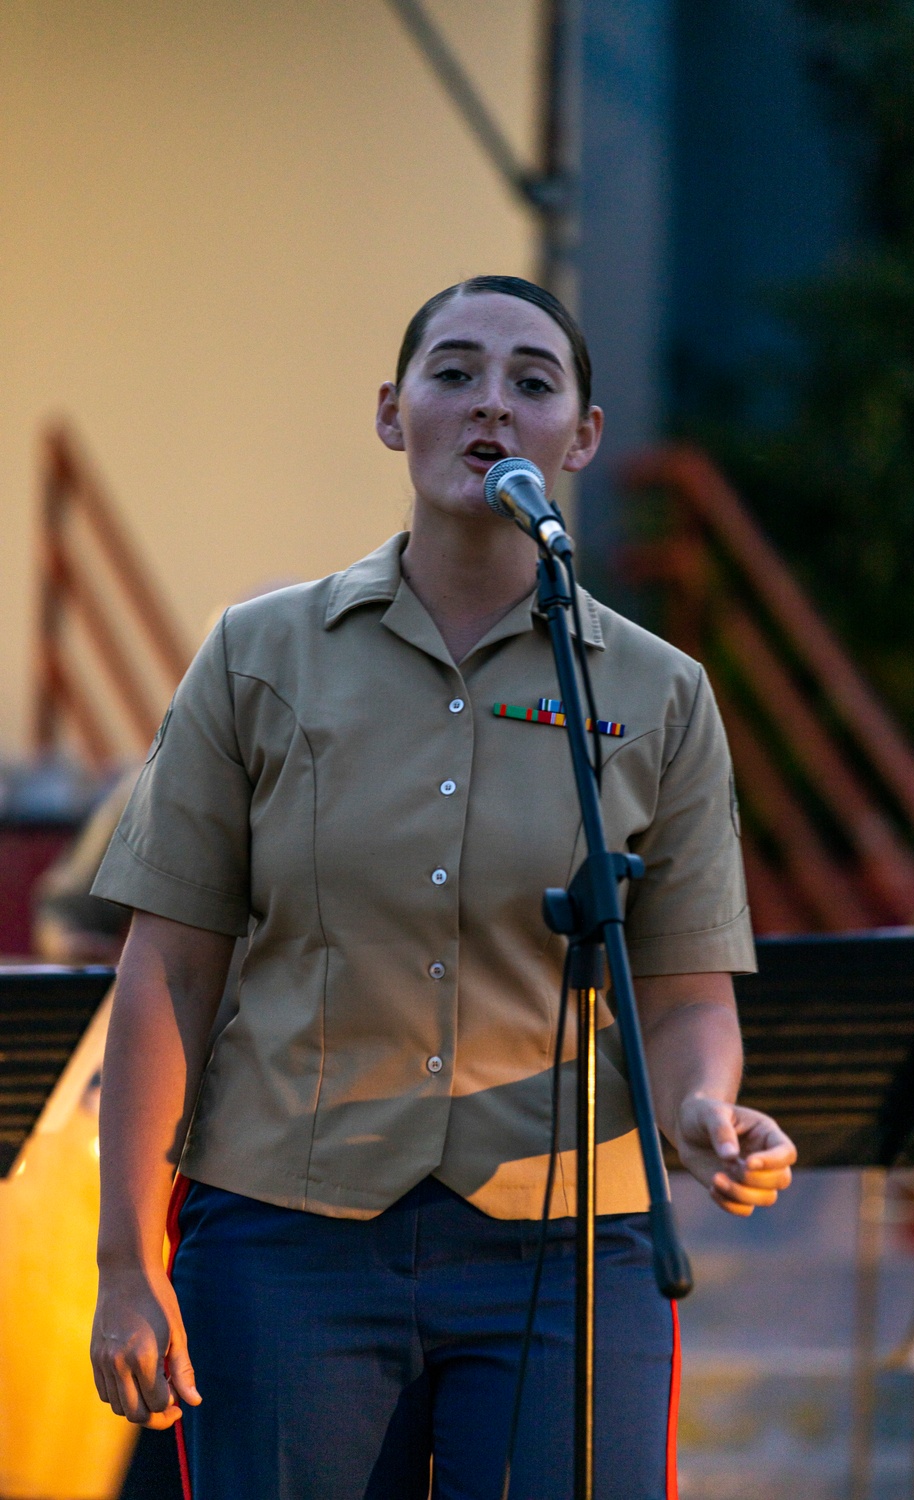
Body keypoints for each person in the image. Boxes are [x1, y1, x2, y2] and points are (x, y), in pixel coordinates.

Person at [89, 274, 797, 1500]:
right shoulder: (255, 656)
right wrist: (119, 1261)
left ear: (579, 437)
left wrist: (703, 1113)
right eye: (454, 373)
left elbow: (683, 988)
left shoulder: (659, 691)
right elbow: (170, 964)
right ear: (389, 411)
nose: (490, 408)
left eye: (532, 384)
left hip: (568, 1242)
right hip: (284, 1240)